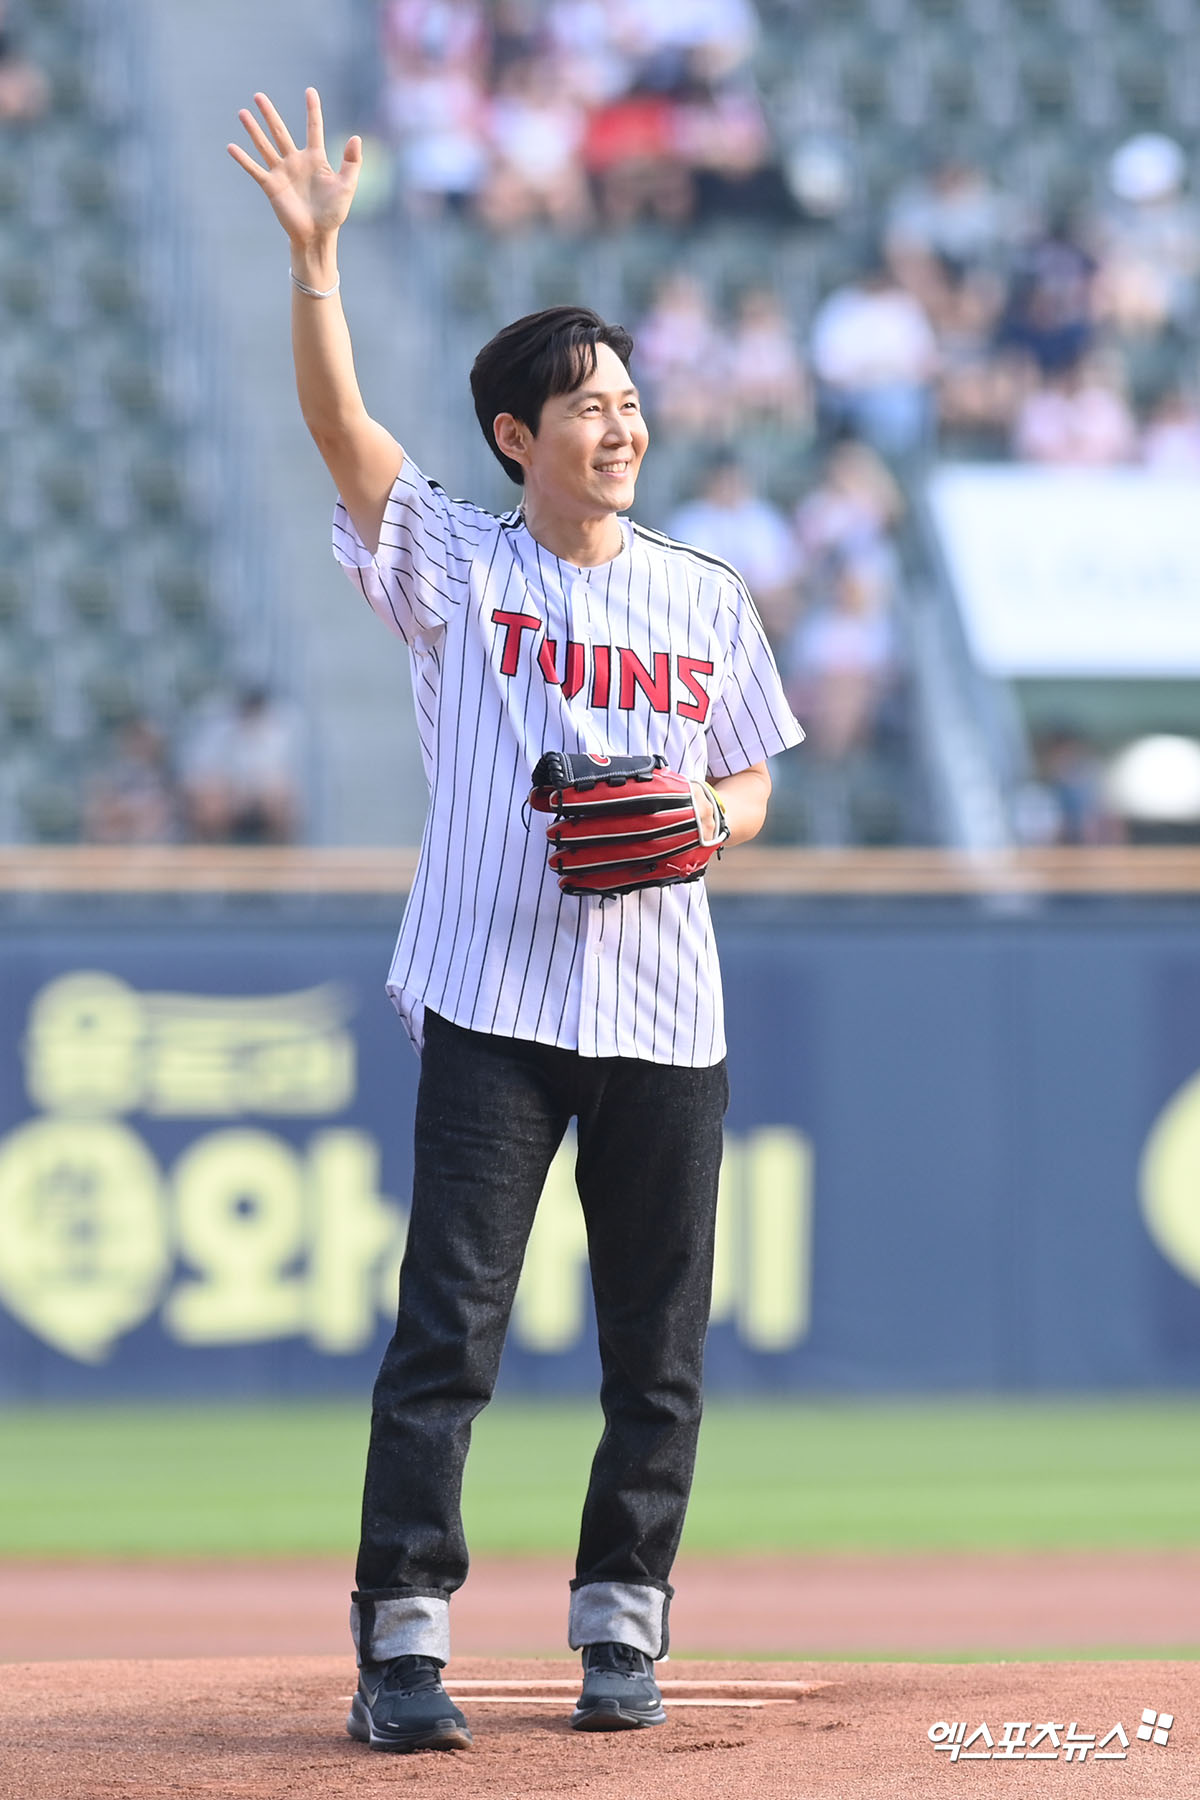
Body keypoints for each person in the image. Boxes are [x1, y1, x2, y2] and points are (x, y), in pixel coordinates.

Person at [229, 89, 802, 1753]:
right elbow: (342, 435)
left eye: (628, 402)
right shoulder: (461, 570)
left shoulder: (703, 595)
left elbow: (754, 780)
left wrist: (708, 817)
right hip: (491, 999)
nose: (619, 427)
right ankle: (403, 1648)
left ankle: (623, 1627)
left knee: (658, 1352)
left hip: (666, 1014)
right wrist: (318, 264)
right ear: (513, 436)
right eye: (585, 407)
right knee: (448, 1335)